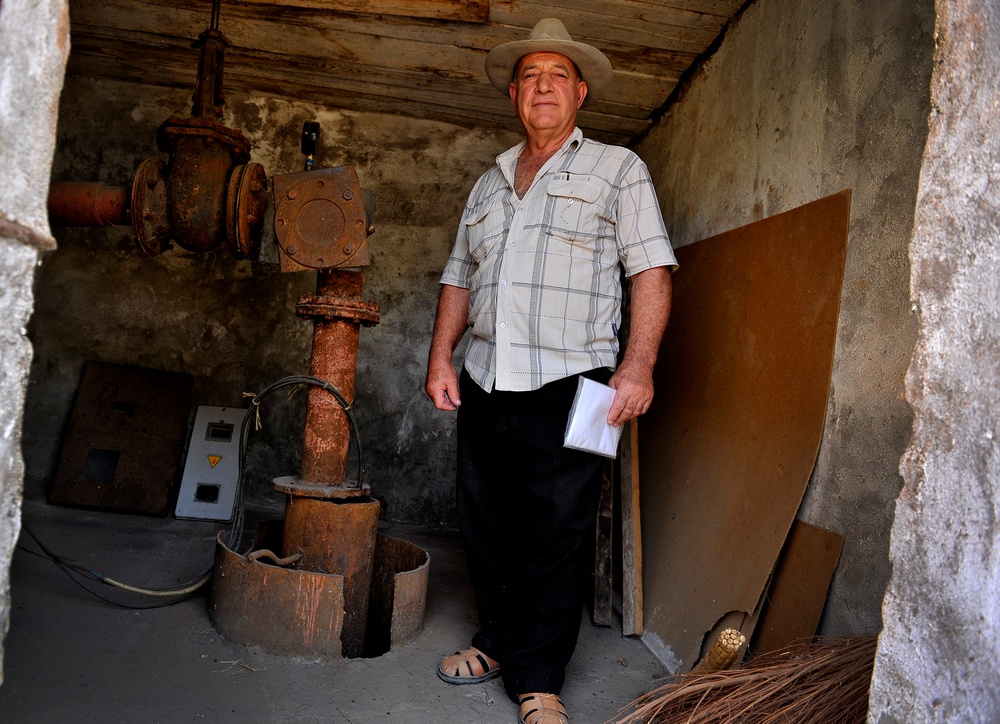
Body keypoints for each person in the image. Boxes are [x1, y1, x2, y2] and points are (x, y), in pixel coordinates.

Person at [424, 17, 677, 724]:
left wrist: (639, 367)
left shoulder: (619, 169)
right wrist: (442, 356)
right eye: (531, 75)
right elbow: (457, 278)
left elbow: (650, 270)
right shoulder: (489, 181)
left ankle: (539, 679)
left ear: (580, 92)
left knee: (561, 529)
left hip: (586, 379)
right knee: (486, 522)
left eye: (557, 75)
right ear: (514, 94)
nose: (543, 85)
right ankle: (500, 643)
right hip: (485, 376)